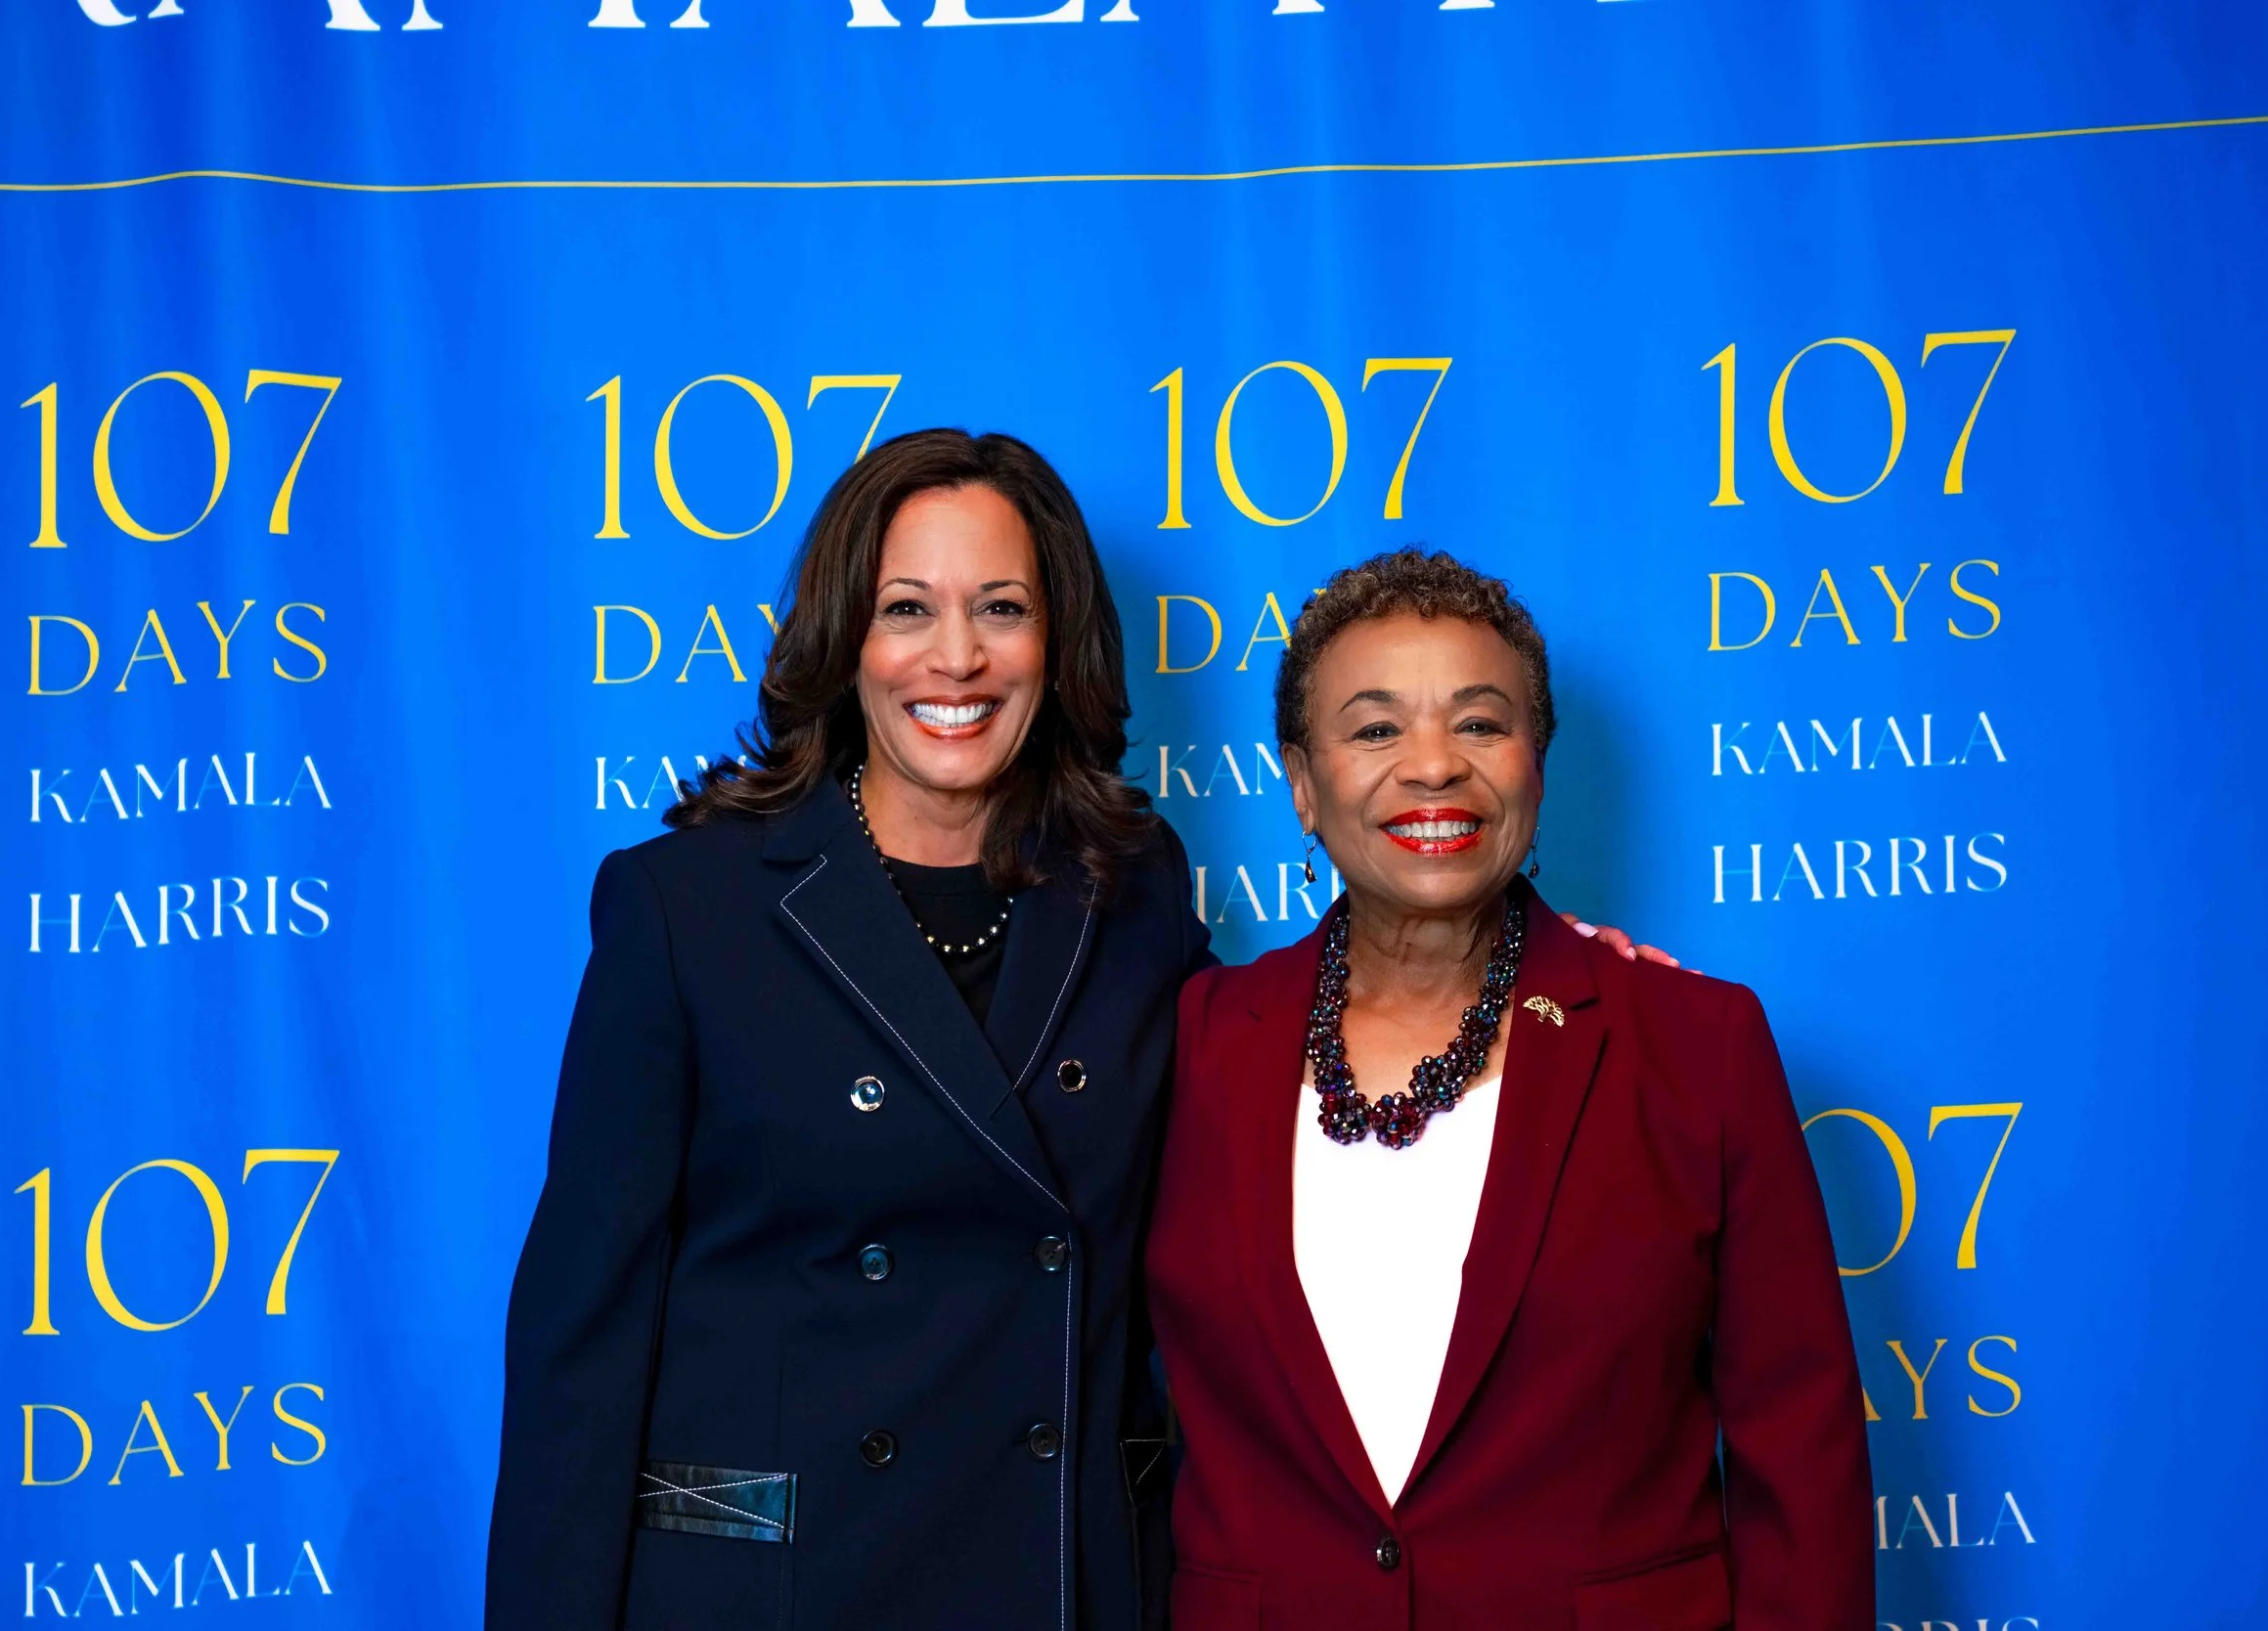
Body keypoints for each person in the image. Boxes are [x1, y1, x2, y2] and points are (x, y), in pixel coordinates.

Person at [485, 435, 1656, 1630]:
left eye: (1002, 608)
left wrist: (1531, 974)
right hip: (780, 1591)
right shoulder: (689, 906)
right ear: (846, 640)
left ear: (1057, 642)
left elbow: (1280, 1056)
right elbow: (582, 1341)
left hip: (1059, 1576)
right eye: (907, 608)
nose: (957, 656)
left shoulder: (1129, 883)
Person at [1145, 550, 1873, 1631]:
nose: (1433, 767)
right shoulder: (1188, 1043)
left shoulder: (1693, 1045)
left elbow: (1800, 1458)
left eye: (1480, 723)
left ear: (1537, 765)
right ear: (1301, 783)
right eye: (1375, 728)